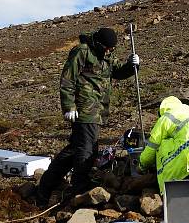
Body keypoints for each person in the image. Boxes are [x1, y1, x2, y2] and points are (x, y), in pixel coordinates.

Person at [35, 27, 140, 207]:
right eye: (107, 48)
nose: (109, 51)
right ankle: (79, 186)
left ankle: (45, 187)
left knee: (75, 150)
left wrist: (132, 66)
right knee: (87, 149)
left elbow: (118, 72)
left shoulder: (106, 55)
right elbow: (67, 79)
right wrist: (68, 106)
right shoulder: (82, 51)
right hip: (83, 108)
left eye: (111, 49)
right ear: (99, 43)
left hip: (97, 110)